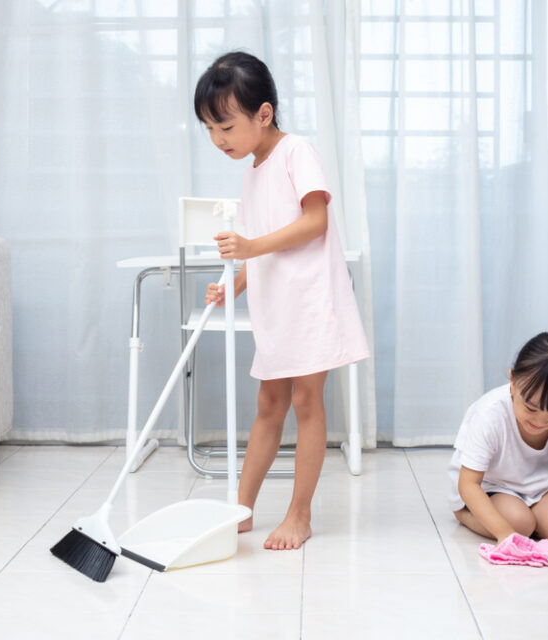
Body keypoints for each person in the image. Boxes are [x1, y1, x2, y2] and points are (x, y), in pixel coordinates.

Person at [194, 51, 370, 550]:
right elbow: (264, 247)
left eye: (225, 126)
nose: (218, 139)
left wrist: (250, 248)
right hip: (278, 305)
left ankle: (300, 514)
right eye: (210, 128)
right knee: (269, 401)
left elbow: (315, 223)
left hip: (312, 301)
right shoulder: (252, 171)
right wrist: (235, 287)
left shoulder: (297, 153)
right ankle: (242, 509)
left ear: (263, 114)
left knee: (305, 400)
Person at [448, 331, 548, 543]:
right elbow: (468, 484)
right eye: (530, 407)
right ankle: (465, 515)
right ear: (513, 380)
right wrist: (503, 534)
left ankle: (532, 519)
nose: (541, 421)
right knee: (519, 526)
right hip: (491, 486)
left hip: (541, 486)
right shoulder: (490, 414)